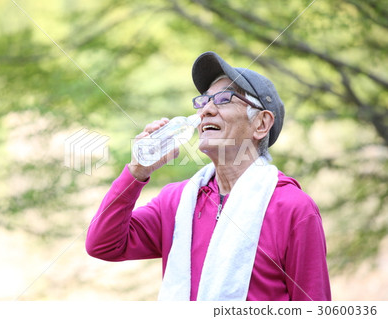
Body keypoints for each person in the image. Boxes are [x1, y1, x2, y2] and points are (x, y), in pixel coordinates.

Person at [86, 51, 331, 301]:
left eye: (224, 99)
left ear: (261, 124)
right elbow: (103, 244)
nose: (206, 111)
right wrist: (137, 172)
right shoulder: (177, 201)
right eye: (203, 102)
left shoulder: (293, 208)